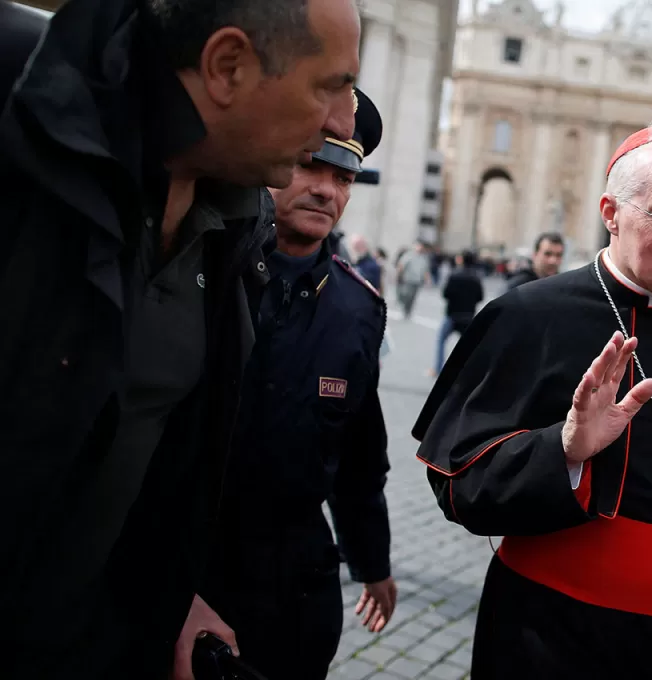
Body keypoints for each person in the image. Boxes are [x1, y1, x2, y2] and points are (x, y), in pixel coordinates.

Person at [0, 0, 360, 677]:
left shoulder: (239, 224)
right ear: (227, 66)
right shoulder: (15, 125)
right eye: (329, 84)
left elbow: (160, 456)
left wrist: (169, 595)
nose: (342, 120)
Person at [412, 117, 652, 679]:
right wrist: (564, 451)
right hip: (551, 639)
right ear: (610, 213)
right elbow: (456, 484)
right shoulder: (526, 315)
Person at [203, 88, 395, 680]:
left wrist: (372, 561)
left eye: (343, 177)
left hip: (298, 587)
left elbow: (360, 454)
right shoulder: (203, 271)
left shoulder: (358, 308)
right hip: (195, 564)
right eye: (308, 164)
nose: (325, 189)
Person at [432, 250, 485, 376]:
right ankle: (465, 372)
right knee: (468, 347)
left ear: (461, 259)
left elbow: (446, 294)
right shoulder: (476, 277)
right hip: (468, 316)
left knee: (441, 341)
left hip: (452, 314)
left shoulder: (454, 275)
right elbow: (480, 297)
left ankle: (437, 369)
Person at [395, 241, 431, 318]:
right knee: (407, 295)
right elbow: (401, 265)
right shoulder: (409, 255)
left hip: (417, 280)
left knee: (413, 297)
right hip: (408, 279)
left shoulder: (423, 258)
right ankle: (405, 308)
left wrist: (427, 280)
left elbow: (425, 270)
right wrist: (399, 275)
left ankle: (408, 311)